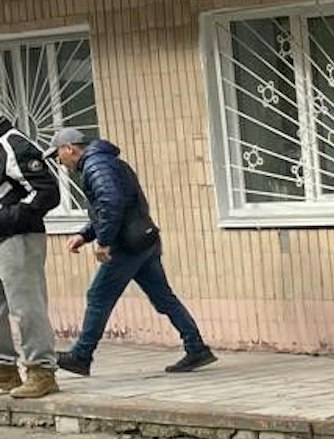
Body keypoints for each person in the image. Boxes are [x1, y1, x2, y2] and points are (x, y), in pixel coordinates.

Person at [51, 130, 215, 379]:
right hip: (143, 239)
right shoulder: (106, 162)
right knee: (163, 297)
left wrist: (104, 242)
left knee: (98, 296)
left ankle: (81, 356)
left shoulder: (96, 166)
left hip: (126, 246)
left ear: (70, 148)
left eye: (58, 155)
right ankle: (196, 348)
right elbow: (111, 207)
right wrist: (85, 235)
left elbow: (110, 203)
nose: (59, 161)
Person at [0, 115, 61, 398]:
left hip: (18, 236)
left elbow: (47, 191)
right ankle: (5, 372)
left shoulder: (13, 142)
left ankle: (41, 370)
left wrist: (8, 218)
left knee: (25, 304)